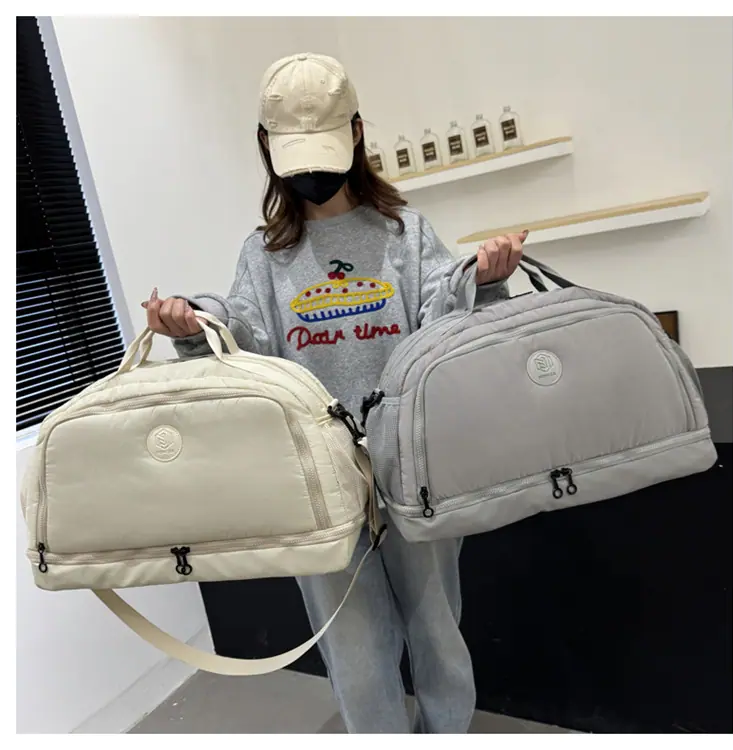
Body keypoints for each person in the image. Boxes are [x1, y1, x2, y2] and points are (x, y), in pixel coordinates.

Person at [144, 53, 527, 733]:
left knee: (438, 629)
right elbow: (245, 339)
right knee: (354, 650)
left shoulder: (405, 234)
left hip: (411, 466)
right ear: (266, 146)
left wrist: (485, 279)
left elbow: (442, 324)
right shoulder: (264, 256)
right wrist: (195, 324)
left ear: (356, 132)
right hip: (317, 482)